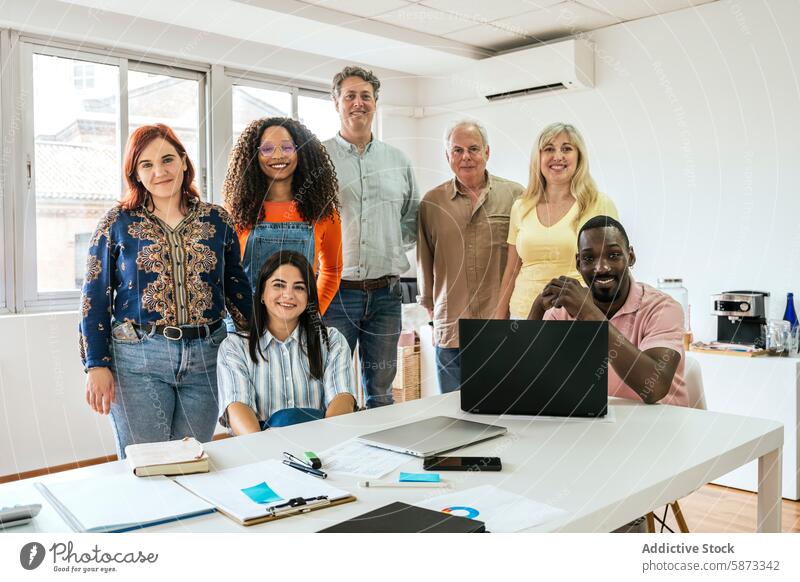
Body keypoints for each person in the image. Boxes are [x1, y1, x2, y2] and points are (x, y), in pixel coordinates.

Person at [79, 123, 252, 458]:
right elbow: (94, 298)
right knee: (148, 465)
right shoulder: (117, 223)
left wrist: (256, 350)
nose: (159, 171)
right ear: (135, 174)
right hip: (137, 359)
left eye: (168, 159)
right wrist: (96, 364)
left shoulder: (218, 220)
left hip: (208, 357)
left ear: (184, 162)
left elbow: (237, 289)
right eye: (146, 164)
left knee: (193, 459)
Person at [322, 65, 419, 408]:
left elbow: (411, 216)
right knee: (334, 389)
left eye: (365, 96)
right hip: (335, 296)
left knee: (381, 389)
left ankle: (379, 458)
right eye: (350, 96)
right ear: (336, 103)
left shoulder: (398, 160)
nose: (358, 103)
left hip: (385, 296)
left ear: (376, 103)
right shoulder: (318, 159)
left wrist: (388, 242)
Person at [528, 215, 688, 406]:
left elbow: (654, 388)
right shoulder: (563, 311)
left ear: (630, 257)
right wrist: (536, 311)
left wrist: (589, 314)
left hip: (662, 426)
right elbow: (524, 379)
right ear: (579, 264)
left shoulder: (663, 308)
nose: (601, 268)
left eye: (613, 255)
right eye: (589, 258)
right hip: (596, 425)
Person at [417, 120, 523, 393]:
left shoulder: (515, 197)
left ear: (487, 152)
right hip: (452, 330)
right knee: (453, 416)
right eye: (458, 150)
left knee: (505, 409)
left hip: (502, 326)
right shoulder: (431, 203)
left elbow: (522, 259)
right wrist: (432, 310)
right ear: (447, 156)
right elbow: (425, 261)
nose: (466, 157)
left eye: (474, 149)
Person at [216, 251, 357, 434]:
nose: (288, 294)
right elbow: (237, 406)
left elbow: (342, 397)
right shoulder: (234, 347)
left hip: (321, 444)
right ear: (261, 294)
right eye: (279, 285)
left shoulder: (331, 340)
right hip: (259, 449)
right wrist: (269, 453)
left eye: (299, 287)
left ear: (309, 297)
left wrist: (324, 442)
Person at [494, 122, 618, 320]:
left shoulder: (599, 204)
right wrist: (498, 321)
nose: (557, 156)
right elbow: (511, 269)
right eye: (549, 149)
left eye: (566, 149)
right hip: (523, 316)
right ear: (539, 158)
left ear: (579, 157)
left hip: (576, 316)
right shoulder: (521, 206)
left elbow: (612, 266)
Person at [222, 117, 342, 316]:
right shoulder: (237, 212)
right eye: (267, 149)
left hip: (298, 326)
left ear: (301, 152)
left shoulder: (323, 212)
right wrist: (242, 316)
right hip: (246, 325)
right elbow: (226, 273)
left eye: (286, 148)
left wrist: (312, 314)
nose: (277, 155)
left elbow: (333, 270)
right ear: (254, 156)